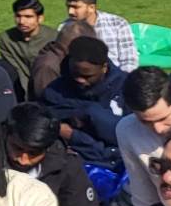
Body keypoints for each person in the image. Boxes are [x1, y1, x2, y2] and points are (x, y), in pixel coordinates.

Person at [36, 37, 127, 171]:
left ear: (104, 68)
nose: (80, 80)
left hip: (123, 164)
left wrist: (88, 115)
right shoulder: (55, 92)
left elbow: (128, 137)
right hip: (77, 166)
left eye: (87, 76)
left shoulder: (126, 88)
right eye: (75, 73)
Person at [118, 67, 171, 206]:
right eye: (145, 122)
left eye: (163, 118)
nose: (158, 129)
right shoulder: (127, 130)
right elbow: (142, 191)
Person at [63, 0, 138, 73]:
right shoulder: (65, 28)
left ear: (91, 8)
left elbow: (129, 59)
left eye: (76, 7)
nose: (70, 12)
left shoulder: (118, 24)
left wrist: (122, 82)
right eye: (68, 7)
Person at [0, 0, 51, 100]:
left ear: (40, 18)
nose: (22, 21)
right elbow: (15, 69)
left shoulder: (53, 38)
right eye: (18, 16)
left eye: (28, 17)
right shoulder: (6, 39)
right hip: (19, 90)